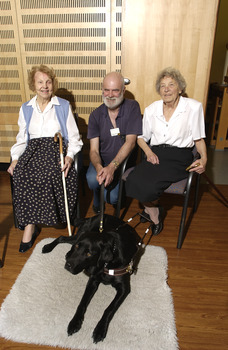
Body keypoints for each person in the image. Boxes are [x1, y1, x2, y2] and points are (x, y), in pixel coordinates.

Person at [7, 64, 83, 252]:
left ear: (53, 84)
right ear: (33, 85)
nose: (45, 86)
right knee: (21, 174)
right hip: (32, 150)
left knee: (48, 174)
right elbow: (21, 138)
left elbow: (74, 138)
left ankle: (53, 216)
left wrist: (70, 157)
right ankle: (30, 225)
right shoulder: (26, 108)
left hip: (55, 148)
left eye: (48, 82)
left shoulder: (62, 106)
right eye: (40, 82)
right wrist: (15, 158)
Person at [125, 67, 207, 236]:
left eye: (171, 84)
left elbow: (199, 139)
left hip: (179, 156)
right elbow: (141, 137)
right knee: (133, 180)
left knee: (149, 186)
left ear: (180, 88)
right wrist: (148, 152)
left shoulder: (193, 107)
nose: (167, 89)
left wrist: (204, 159)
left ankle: (154, 215)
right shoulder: (151, 109)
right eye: (162, 86)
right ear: (159, 90)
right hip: (154, 153)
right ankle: (153, 208)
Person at [86, 72, 142, 213]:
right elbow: (93, 151)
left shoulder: (133, 107)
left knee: (113, 199)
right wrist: (99, 168)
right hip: (102, 161)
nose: (110, 95)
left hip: (122, 163)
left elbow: (130, 143)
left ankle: (110, 195)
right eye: (106, 90)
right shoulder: (95, 115)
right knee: (93, 179)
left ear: (123, 90)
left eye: (115, 90)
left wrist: (112, 168)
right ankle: (97, 196)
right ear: (102, 90)